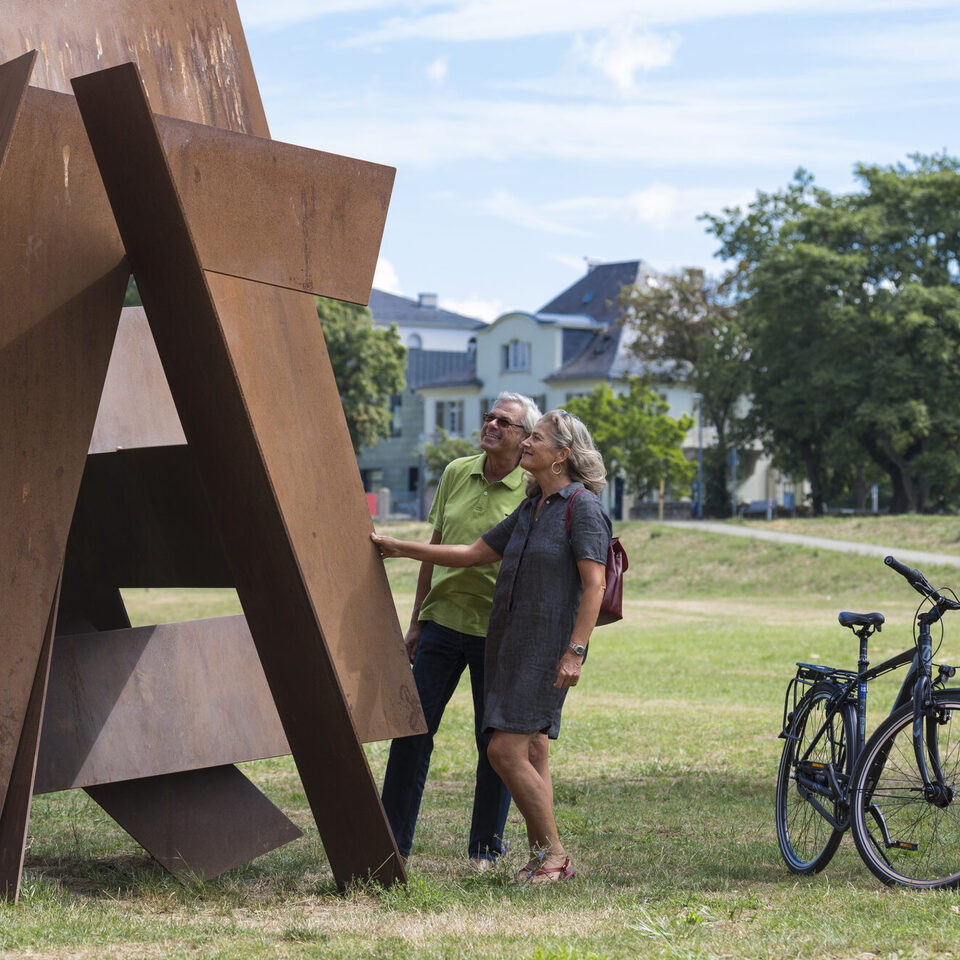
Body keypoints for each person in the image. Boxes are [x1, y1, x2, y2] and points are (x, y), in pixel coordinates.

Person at [373, 409, 610, 883]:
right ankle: (545, 855)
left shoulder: (580, 507)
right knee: (533, 752)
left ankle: (556, 856)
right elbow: (470, 554)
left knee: (504, 752)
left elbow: (596, 585)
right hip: (512, 646)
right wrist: (399, 547)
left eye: (535, 439)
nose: (525, 444)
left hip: (544, 652)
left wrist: (575, 650)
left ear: (562, 454)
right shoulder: (532, 506)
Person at [380, 391, 542, 871]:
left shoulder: (533, 489)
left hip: (498, 633)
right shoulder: (455, 472)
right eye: (488, 416)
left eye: (504, 422)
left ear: (524, 437)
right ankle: (392, 843)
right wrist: (416, 622)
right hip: (442, 625)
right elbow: (436, 548)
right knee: (412, 731)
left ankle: (485, 851)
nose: (491, 424)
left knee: (494, 746)